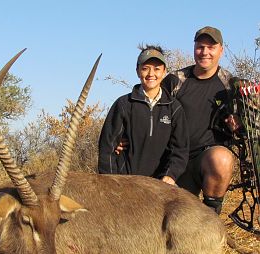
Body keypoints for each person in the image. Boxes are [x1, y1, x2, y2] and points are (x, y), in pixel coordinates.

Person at [160, 26, 236, 214]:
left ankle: (212, 218)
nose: (205, 52)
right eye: (200, 47)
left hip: (205, 161)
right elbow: (149, 113)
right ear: (194, 48)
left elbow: (245, 127)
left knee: (222, 159)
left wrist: (238, 125)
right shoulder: (175, 81)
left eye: (211, 47)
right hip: (174, 161)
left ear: (221, 50)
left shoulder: (230, 84)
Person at [98, 45, 189, 185]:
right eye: (145, 68)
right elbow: (107, 147)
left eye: (157, 69)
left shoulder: (174, 108)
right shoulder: (123, 104)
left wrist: (170, 176)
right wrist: (111, 183)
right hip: (124, 184)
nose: (151, 74)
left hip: (160, 186)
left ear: (164, 71)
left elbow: (180, 150)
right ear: (137, 71)